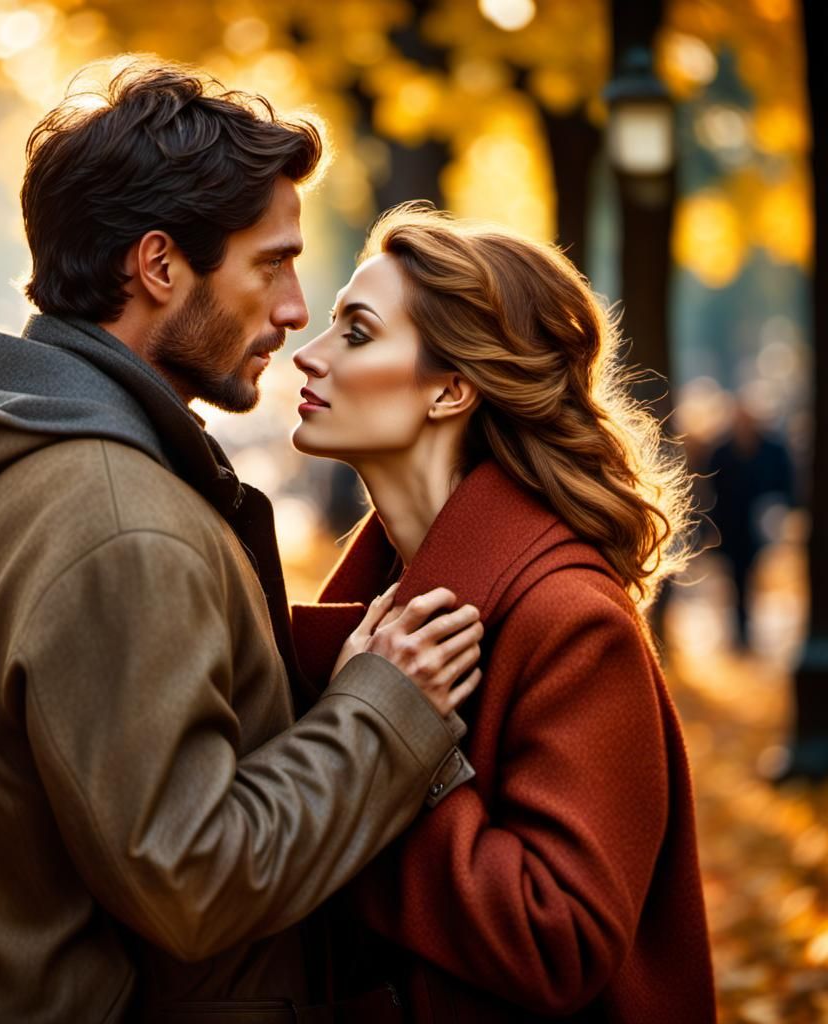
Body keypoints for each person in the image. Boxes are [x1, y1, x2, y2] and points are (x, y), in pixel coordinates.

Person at [0, 63, 485, 1023]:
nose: (293, 308)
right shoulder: (119, 522)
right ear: (159, 266)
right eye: (271, 263)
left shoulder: (31, 468)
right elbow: (193, 878)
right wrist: (383, 714)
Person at [290, 204, 716, 1023]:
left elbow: (563, 938)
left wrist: (392, 747)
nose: (308, 355)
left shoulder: (570, 619)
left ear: (451, 388)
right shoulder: (380, 601)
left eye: (355, 332)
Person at [705, 395, 796, 650]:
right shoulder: (721, 451)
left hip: (759, 526)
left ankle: (747, 628)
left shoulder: (772, 449)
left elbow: (785, 483)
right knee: (736, 578)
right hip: (732, 527)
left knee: (753, 577)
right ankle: (741, 631)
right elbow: (711, 491)